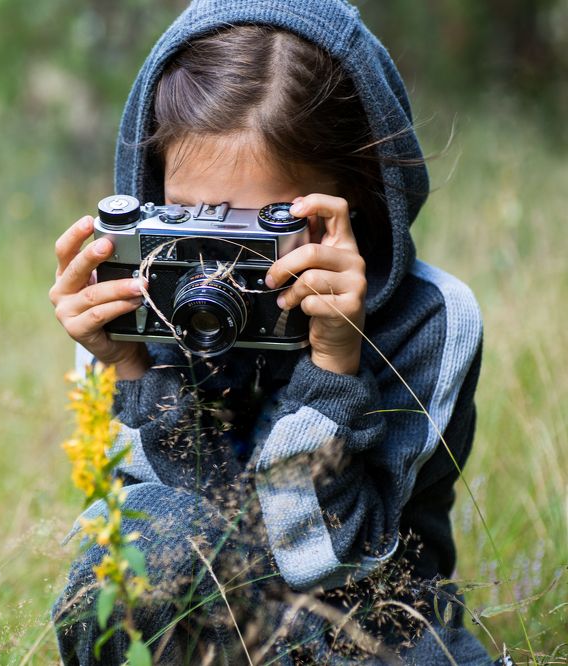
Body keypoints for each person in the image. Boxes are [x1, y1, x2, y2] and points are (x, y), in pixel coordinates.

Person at [47, 1, 495, 664]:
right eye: (192, 220)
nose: (218, 275)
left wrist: (334, 366)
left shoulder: (430, 320)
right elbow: (152, 553)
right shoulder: (134, 310)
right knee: (144, 543)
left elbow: (332, 566)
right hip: (209, 627)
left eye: (261, 230)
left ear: (356, 201)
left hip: (366, 627)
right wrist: (131, 371)